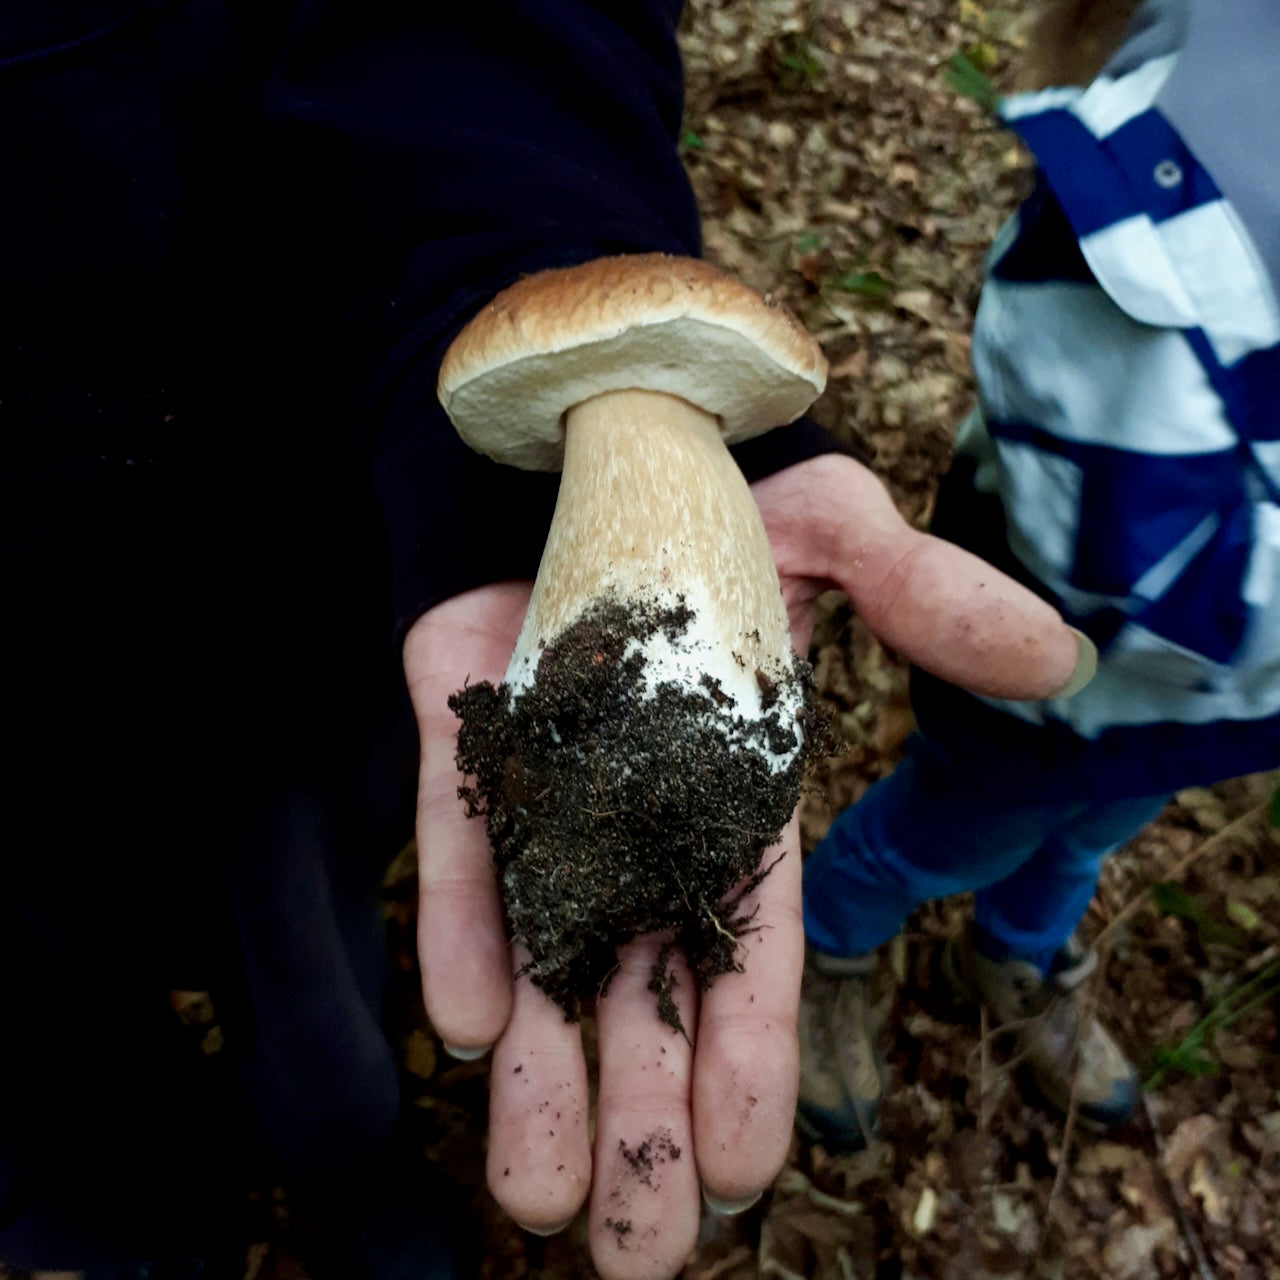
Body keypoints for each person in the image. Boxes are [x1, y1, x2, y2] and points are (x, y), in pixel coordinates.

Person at [0, 3, 1086, 1278]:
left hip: (253, 563)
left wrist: (512, 239)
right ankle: (100, 1202)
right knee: (40, 980)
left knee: (293, 937)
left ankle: (352, 1176)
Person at [797, 0, 1280, 1153]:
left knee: (1091, 833)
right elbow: (1119, 534)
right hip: (1049, 677)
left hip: (1207, 710)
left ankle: (1012, 956)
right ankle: (824, 943)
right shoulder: (1128, 222)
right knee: (948, 833)